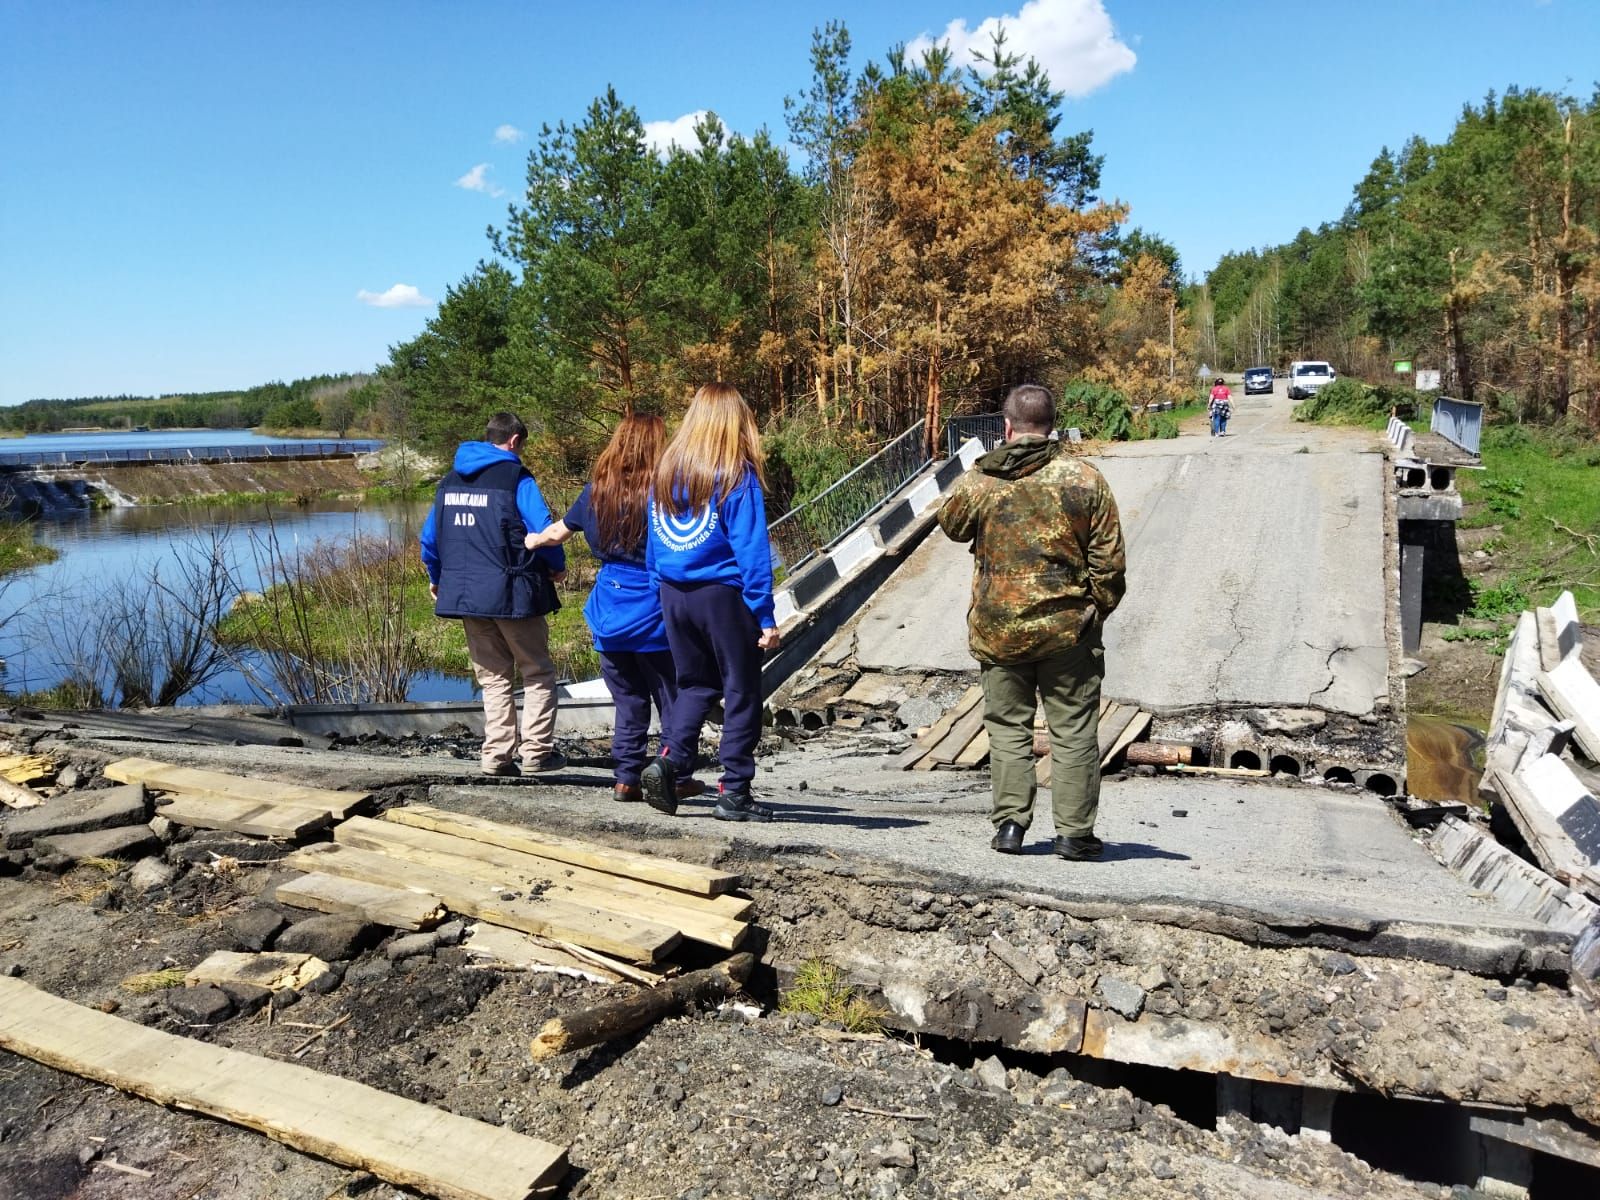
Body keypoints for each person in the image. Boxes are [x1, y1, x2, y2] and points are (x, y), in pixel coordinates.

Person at [938, 383, 1126, 860]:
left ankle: (1010, 828)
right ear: (1052, 424)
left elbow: (952, 525)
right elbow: (1110, 564)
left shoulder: (982, 480)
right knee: (1075, 729)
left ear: (1006, 427)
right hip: (1068, 633)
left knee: (1006, 728)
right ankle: (1074, 834)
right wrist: (1095, 610)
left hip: (998, 632)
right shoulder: (1085, 479)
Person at [524, 415, 704, 805]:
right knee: (671, 696)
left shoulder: (596, 491)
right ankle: (676, 774)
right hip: (652, 607)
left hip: (608, 609)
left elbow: (558, 532)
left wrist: (533, 539)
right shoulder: (666, 491)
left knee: (628, 700)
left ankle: (626, 779)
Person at [639, 383, 780, 822]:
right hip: (722, 595)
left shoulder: (667, 471)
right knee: (741, 691)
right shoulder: (736, 474)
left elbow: (653, 543)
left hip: (673, 593)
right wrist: (765, 614)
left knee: (695, 685)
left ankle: (669, 761)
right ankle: (734, 790)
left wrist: (658, 587)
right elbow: (752, 551)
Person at [419, 412, 567, 778]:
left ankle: (496, 756)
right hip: (514, 592)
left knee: (494, 678)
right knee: (536, 671)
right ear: (515, 440)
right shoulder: (516, 478)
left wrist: (437, 578)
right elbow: (543, 528)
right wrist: (557, 564)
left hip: (468, 594)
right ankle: (536, 753)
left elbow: (430, 540)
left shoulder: (448, 481)